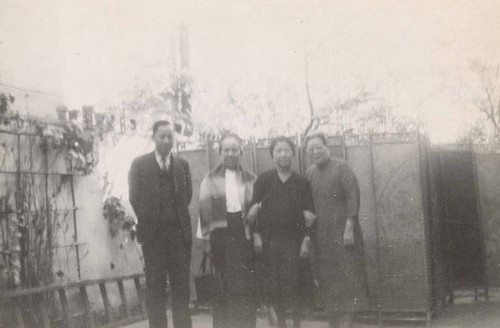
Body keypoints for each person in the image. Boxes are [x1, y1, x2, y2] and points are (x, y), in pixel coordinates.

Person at [128, 120, 192, 328]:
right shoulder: (139, 164)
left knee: (181, 289)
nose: (166, 141)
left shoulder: (182, 165)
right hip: (153, 238)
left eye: (169, 137)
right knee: (155, 290)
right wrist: (151, 219)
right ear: (153, 137)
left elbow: (187, 196)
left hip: (178, 237)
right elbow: (134, 197)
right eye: (162, 136)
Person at [248, 136, 315, 328]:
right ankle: (281, 324)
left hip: (294, 242)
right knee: (274, 286)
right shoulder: (264, 180)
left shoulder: (302, 182)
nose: (283, 154)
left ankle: (296, 324)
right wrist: (256, 235)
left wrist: (306, 240)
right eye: (278, 151)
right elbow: (253, 210)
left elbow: (310, 214)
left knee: (295, 285)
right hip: (269, 241)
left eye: (287, 150)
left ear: (293, 154)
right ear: (272, 155)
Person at [305, 132, 368, 328]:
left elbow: (353, 197)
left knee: (348, 277)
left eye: (318, 147)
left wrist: (349, 227)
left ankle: (347, 324)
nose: (315, 151)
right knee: (326, 278)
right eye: (311, 149)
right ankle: (332, 323)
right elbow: (306, 203)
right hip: (321, 236)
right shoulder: (309, 173)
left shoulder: (342, 167)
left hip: (343, 233)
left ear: (327, 146)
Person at [198, 133, 257, 328]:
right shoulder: (209, 179)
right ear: (219, 152)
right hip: (220, 235)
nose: (230, 154)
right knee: (223, 285)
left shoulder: (251, 178)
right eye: (226, 150)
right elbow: (203, 211)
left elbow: (257, 209)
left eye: (234, 149)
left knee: (244, 284)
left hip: (243, 233)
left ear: (241, 151)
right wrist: (205, 240)